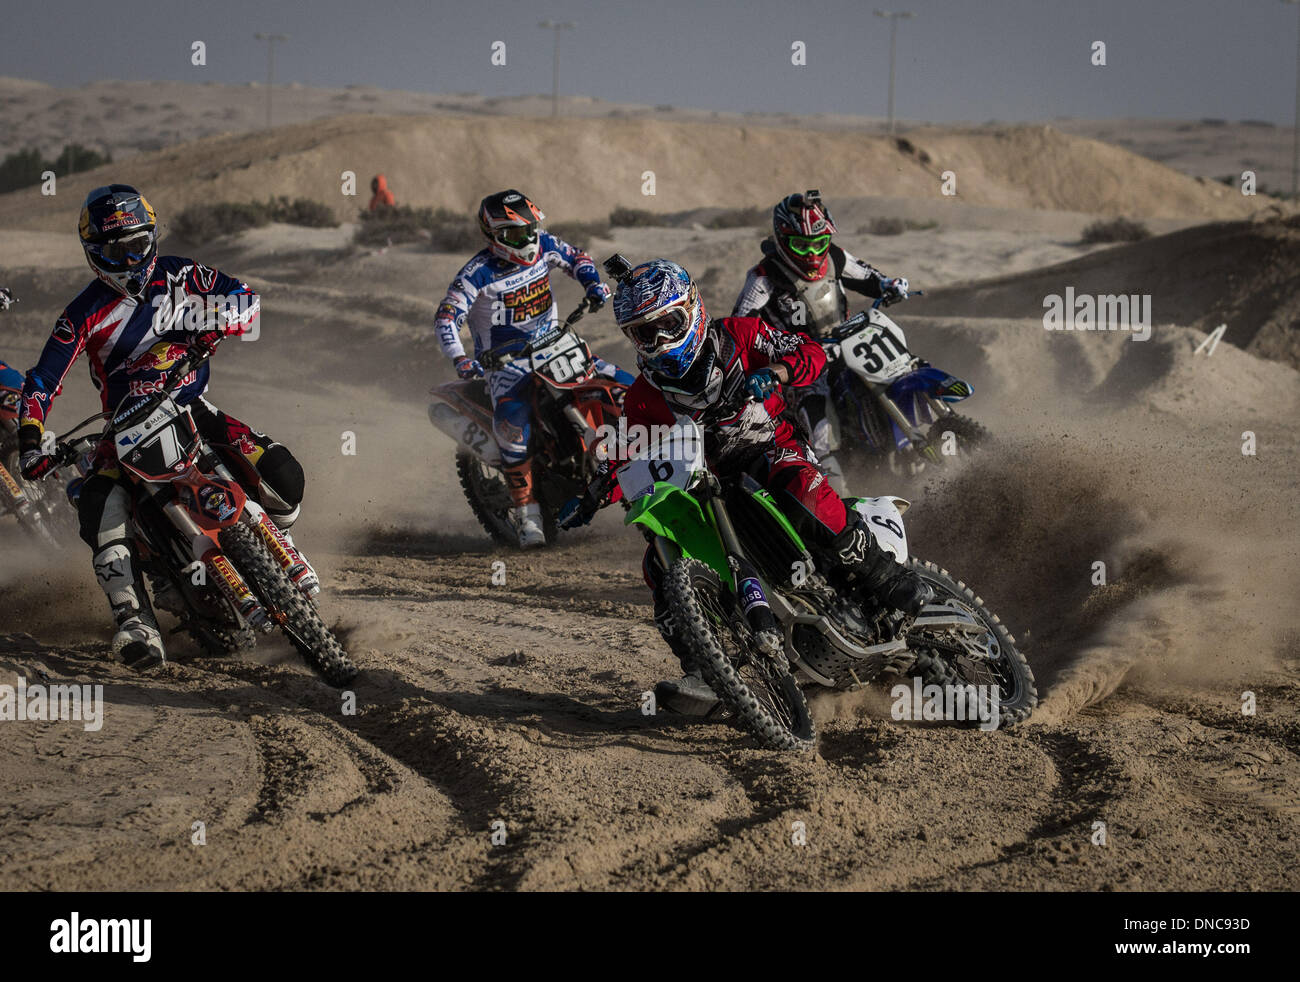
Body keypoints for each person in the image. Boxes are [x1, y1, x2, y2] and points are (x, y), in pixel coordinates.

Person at [562, 258, 932, 715]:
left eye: (668, 324)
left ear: (692, 309)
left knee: (797, 487)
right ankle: (704, 669)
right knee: (658, 563)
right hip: (710, 484)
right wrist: (598, 491)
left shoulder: (737, 334)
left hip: (773, 444)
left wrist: (776, 371)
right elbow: (636, 454)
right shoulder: (644, 396)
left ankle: (884, 575)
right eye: (644, 333)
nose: (658, 341)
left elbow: (809, 351)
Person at [17, 184, 315, 670]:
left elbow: (247, 300)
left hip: (193, 405)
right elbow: (43, 380)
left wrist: (214, 324)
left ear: (153, 236)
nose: (133, 259)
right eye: (119, 251)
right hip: (123, 428)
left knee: (285, 478)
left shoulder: (181, 275)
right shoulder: (81, 315)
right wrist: (31, 440)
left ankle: (272, 550)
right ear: (96, 255)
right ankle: (135, 621)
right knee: (97, 503)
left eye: (139, 244)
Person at [434, 189, 633, 548]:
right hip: (507, 364)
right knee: (514, 426)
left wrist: (593, 285)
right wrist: (461, 358)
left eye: (530, 229)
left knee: (624, 383)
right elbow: (447, 317)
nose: (526, 240)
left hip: (556, 342)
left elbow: (577, 257)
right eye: (514, 234)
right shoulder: (476, 274)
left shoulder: (543, 245)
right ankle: (528, 517)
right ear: (493, 235)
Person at [732, 190, 910, 495]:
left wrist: (889, 284)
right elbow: (739, 327)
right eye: (802, 245)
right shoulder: (763, 277)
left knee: (899, 365)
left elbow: (868, 276)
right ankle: (837, 497)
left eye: (819, 243)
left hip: (849, 343)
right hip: (799, 367)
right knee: (820, 425)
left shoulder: (835, 257)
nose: (813, 253)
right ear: (782, 239)